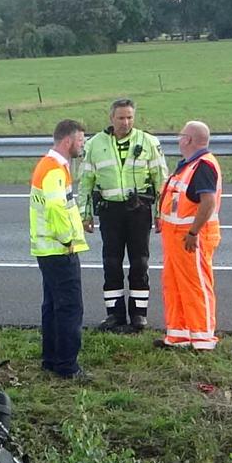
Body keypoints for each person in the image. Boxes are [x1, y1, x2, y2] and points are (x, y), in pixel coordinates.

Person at [78, 98, 168, 332]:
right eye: (121, 117)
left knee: (140, 262)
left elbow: (161, 180)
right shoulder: (95, 144)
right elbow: (86, 182)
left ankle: (139, 314)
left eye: (129, 117)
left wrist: (161, 213)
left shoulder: (148, 142)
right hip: (110, 211)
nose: (125, 122)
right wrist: (84, 214)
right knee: (111, 262)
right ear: (111, 118)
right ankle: (115, 315)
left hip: (139, 210)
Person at [30, 119, 90, 379]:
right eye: (81, 141)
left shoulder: (49, 166)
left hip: (47, 249)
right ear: (68, 141)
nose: (82, 146)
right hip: (58, 249)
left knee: (53, 306)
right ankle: (67, 365)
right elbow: (56, 209)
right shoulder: (55, 169)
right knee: (69, 308)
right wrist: (68, 240)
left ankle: (52, 359)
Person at [157, 120, 223, 350]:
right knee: (174, 285)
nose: (178, 139)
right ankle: (179, 335)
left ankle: (203, 339)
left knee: (196, 286)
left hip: (191, 238)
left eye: (181, 135)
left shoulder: (202, 166)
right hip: (175, 237)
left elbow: (208, 202)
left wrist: (194, 232)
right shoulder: (189, 165)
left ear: (188, 139)